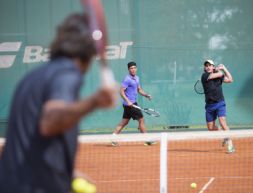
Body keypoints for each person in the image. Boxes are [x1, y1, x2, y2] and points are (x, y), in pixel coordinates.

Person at [0, 13, 117, 193]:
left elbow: (21, 145)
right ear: (88, 51)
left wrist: (66, 174)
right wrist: (95, 101)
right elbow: (50, 121)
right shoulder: (67, 73)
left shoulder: (32, 78)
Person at [111, 62, 155, 146]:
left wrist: (146, 95)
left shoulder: (137, 78)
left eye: (134, 67)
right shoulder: (127, 79)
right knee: (141, 120)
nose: (133, 69)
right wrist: (128, 101)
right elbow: (121, 91)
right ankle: (147, 139)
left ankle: (113, 138)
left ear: (136, 68)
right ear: (128, 70)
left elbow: (139, 89)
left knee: (124, 122)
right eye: (131, 68)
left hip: (131, 104)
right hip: (130, 104)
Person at [201, 59, 235, 153]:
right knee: (210, 128)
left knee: (222, 122)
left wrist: (224, 68)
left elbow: (231, 80)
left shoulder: (218, 76)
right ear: (205, 68)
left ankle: (230, 144)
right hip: (209, 106)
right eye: (206, 66)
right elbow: (219, 74)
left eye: (210, 65)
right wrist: (219, 70)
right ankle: (224, 135)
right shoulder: (204, 76)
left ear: (212, 67)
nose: (208, 67)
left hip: (220, 103)